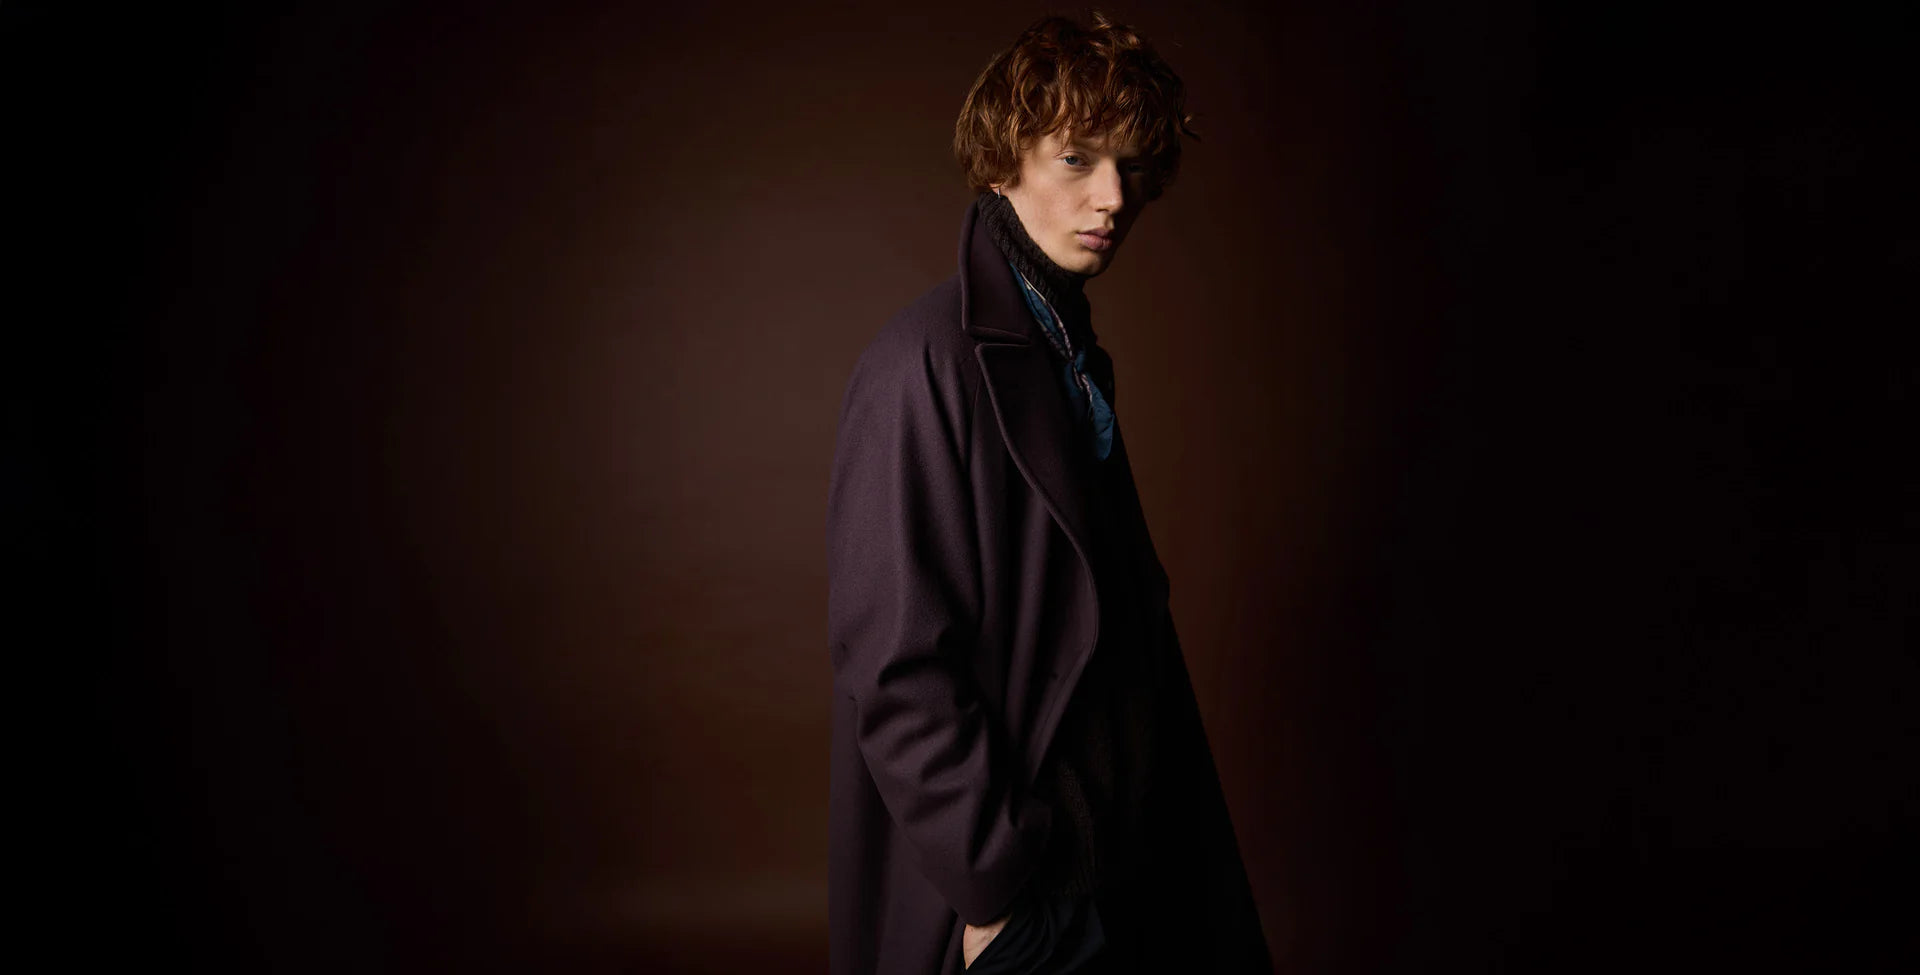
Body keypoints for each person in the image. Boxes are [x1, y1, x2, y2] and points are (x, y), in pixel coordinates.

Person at [826, 12, 1272, 974]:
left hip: (1125, 862)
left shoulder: (1064, 348)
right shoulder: (922, 365)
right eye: (1077, 159)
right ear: (1002, 163)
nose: (1113, 196)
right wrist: (994, 886)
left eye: (1132, 166)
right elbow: (896, 669)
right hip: (1026, 887)